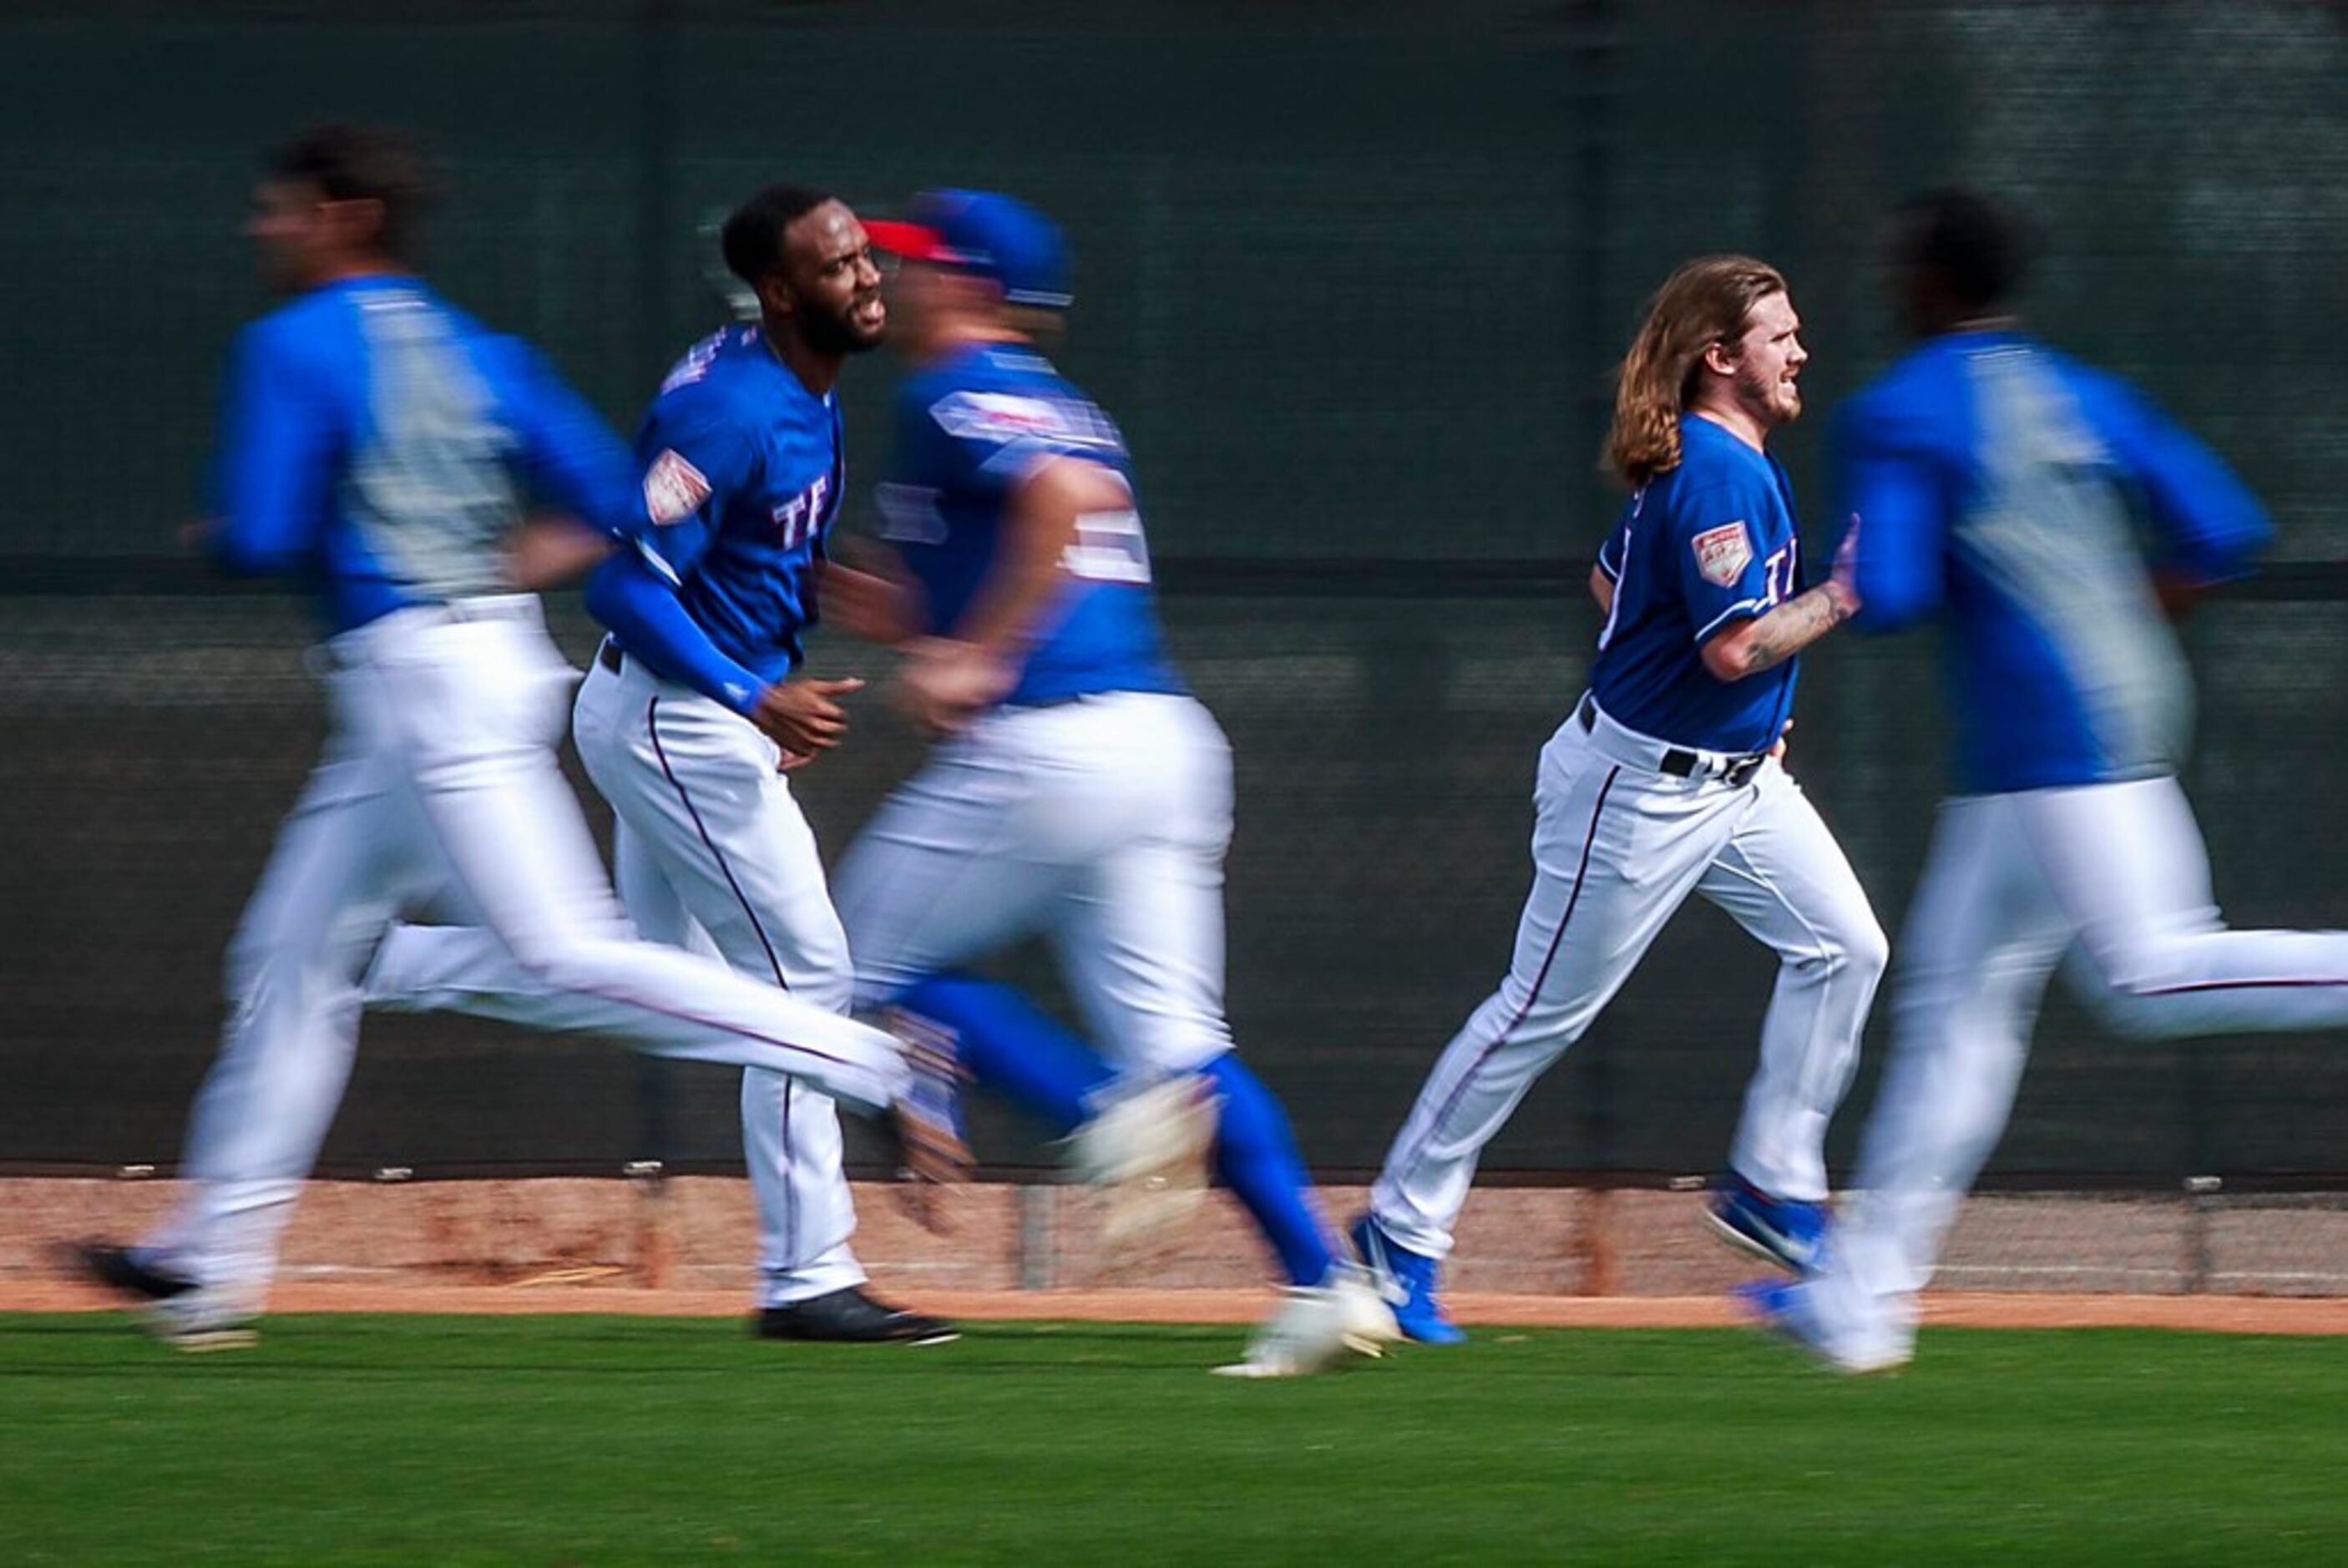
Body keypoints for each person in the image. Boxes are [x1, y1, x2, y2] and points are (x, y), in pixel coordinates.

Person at [65, 126, 968, 1349]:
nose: (262, 230)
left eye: (278, 211)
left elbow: (271, 529)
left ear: (339, 216)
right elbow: (614, 519)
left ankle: (850, 1076)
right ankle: (209, 1262)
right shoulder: (487, 347)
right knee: (320, 961)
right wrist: (551, 588)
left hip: (441, 680)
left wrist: (221, 533)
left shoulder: (294, 344)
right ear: (778, 287)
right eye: (845, 259)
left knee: (586, 961)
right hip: (525, 680)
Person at [1743, 188, 2345, 1373]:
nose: (1883, 281)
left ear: (1928, 284)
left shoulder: (1900, 410)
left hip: (2056, 750)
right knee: (1955, 1019)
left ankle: (1862, 1301)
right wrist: (2118, 610)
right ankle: (1860, 1305)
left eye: (1896, 261)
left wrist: (1817, 584)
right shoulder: (2085, 390)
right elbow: (2221, 528)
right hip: (2055, 752)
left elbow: (1900, 591)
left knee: (2149, 970)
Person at [815, 189, 1395, 1377]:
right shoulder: (1056, 400)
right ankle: (1322, 1280)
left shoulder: (953, 385)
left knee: (838, 971)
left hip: (1053, 749)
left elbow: (1064, 502)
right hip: (1162, 743)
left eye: (913, 263)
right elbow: (935, 590)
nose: (895, 280)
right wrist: (853, 598)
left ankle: (1107, 1126)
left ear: (970, 285)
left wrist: (985, 652)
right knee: (1186, 1049)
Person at [360, 184, 951, 1344]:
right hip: (678, 717)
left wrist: (808, 626)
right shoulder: (736, 406)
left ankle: (385, 958)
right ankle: (809, 1275)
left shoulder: (794, 381)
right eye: (838, 266)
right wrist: (755, 694)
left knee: (639, 979)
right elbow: (623, 580)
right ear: (781, 291)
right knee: (801, 985)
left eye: (866, 256)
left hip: (693, 712)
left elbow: (739, 553)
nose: (868, 276)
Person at [1353, 255, 1887, 1343]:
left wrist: (1738, 701)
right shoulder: (1718, 473)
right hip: (1638, 791)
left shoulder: (1715, 462)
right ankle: (1393, 1235)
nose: (1800, 352)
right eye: (1780, 335)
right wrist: (1841, 595)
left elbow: (1613, 582)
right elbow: (1737, 646)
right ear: (1720, 357)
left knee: (1847, 947)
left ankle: (1768, 1182)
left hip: (1734, 781)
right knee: (1536, 1012)